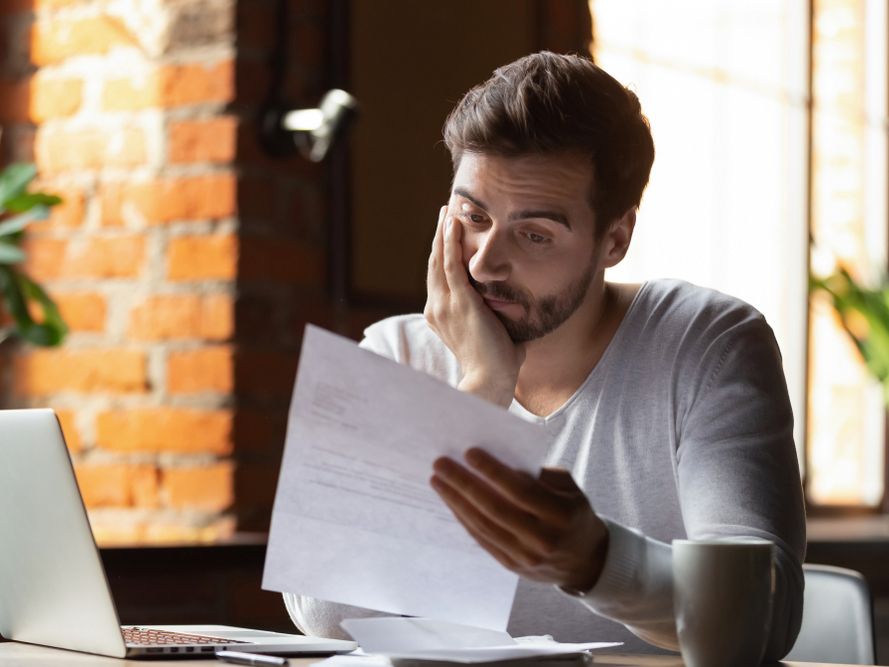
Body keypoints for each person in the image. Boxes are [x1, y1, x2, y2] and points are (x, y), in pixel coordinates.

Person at [283, 51, 806, 657]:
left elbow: (761, 615)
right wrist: (480, 388)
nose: (484, 262)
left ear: (615, 239)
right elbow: (324, 612)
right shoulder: (394, 351)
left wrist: (596, 563)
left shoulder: (709, 344)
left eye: (534, 235)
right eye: (473, 216)